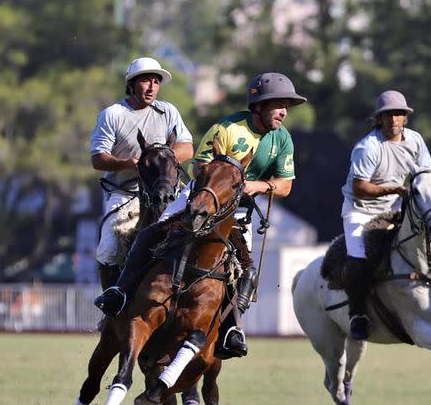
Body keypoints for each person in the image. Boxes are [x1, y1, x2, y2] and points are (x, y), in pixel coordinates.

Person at [94, 72, 307, 358]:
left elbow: (286, 186)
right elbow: (198, 167)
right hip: (199, 200)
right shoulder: (228, 128)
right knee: (150, 234)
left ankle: (232, 330)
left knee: (245, 272)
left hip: (238, 213)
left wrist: (257, 185)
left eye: (286, 107)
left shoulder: (283, 140)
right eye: (278, 104)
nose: (284, 111)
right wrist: (229, 184)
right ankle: (120, 293)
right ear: (259, 105)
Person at [91, 57, 194, 292]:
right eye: (146, 81)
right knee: (107, 248)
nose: (151, 87)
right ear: (132, 84)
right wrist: (130, 164)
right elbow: (98, 158)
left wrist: (159, 161)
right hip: (125, 193)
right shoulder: (113, 114)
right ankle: (112, 303)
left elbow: (187, 147)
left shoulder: (168, 111)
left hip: (167, 191)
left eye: (156, 82)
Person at [341, 90, 431, 340]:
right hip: (360, 211)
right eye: (388, 115)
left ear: (405, 118)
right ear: (379, 119)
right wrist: (393, 189)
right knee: (359, 262)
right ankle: (358, 314)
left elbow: (426, 173)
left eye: (399, 114)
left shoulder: (415, 141)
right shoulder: (368, 147)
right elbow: (361, 188)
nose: (394, 119)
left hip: (393, 208)